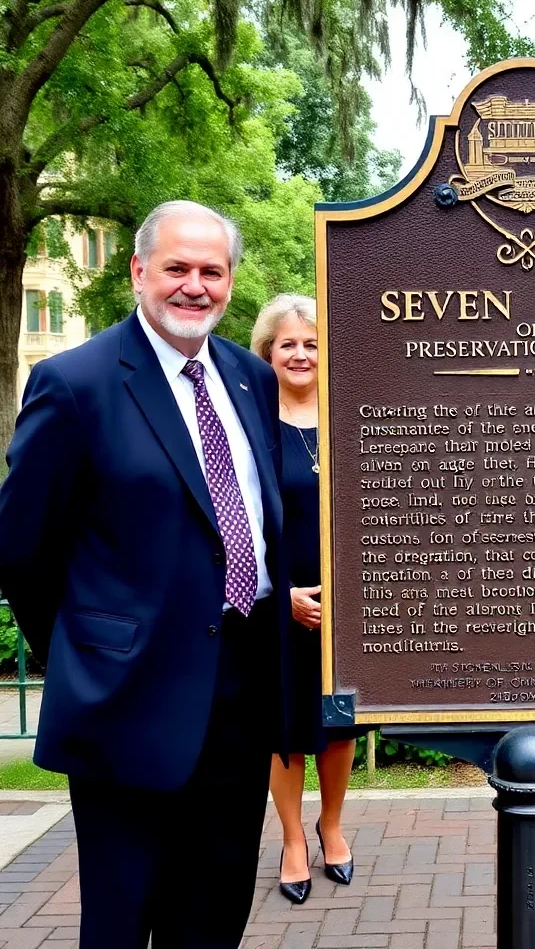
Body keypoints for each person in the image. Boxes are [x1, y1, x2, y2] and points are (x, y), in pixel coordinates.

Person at [0, 201, 293, 948]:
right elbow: (24, 549)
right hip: (124, 703)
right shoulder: (75, 384)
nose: (195, 286)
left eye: (212, 271)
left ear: (230, 282)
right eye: (177, 269)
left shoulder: (252, 379)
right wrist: (88, 651)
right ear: (139, 273)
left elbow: (257, 522)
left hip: (239, 691)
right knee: (123, 920)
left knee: (216, 909)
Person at [251, 294, 367, 904]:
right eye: (288, 343)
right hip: (281, 596)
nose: (301, 354)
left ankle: (332, 825)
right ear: (267, 352)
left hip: (347, 596)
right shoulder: (249, 426)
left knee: (339, 721)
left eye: (313, 343)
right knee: (285, 727)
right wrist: (281, 593)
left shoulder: (351, 415)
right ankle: (294, 839)